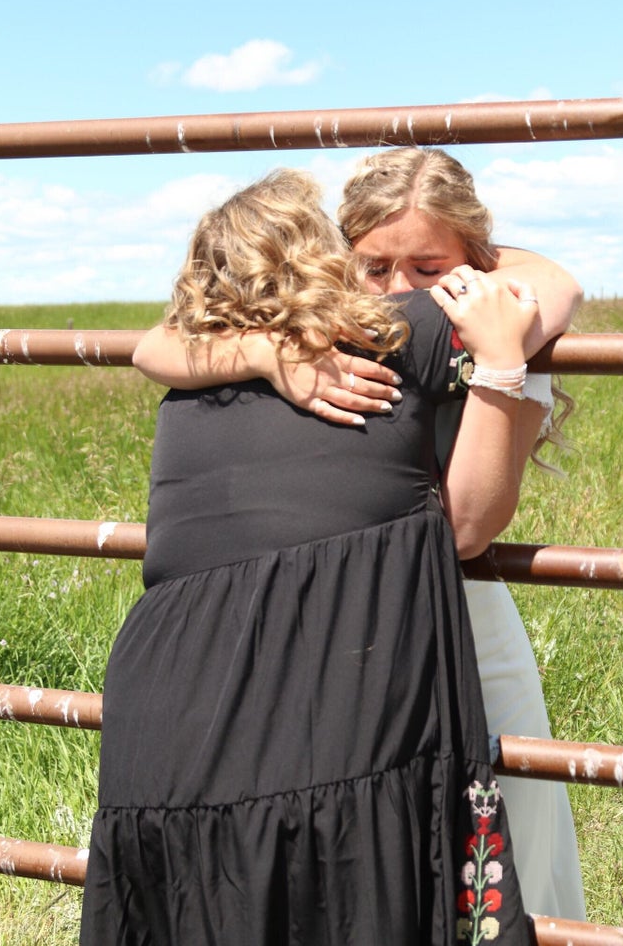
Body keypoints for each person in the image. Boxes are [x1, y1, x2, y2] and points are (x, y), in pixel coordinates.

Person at [81, 167, 538, 945]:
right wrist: (498, 357)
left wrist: (255, 347)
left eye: (423, 271)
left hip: (156, 731)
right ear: (333, 260)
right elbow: (552, 290)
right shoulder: (395, 337)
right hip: (331, 707)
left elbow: (150, 345)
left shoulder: (190, 384)